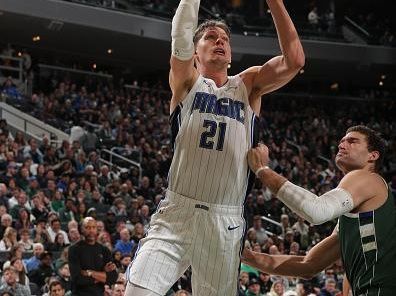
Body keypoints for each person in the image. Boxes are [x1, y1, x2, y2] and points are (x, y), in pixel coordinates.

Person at [126, 0, 304, 294]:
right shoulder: (186, 82)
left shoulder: (248, 84)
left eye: (225, 39)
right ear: (195, 53)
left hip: (226, 221)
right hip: (177, 213)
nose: (220, 41)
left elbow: (295, 60)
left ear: (231, 55)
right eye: (211, 37)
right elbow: (180, 34)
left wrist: (274, 3)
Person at [243, 125, 396, 295]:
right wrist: (246, 256)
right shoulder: (354, 220)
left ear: (372, 156)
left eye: (352, 141)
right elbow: (308, 266)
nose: (342, 145)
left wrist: (261, 169)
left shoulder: (369, 178)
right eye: (342, 141)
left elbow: (316, 211)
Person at [68, 217, 117, 295]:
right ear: (81, 230)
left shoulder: (104, 250)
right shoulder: (74, 250)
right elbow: (77, 279)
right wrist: (103, 275)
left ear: (97, 229)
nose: (91, 230)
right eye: (87, 227)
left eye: (94, 227)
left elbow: (112, 278)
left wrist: (90, 273)